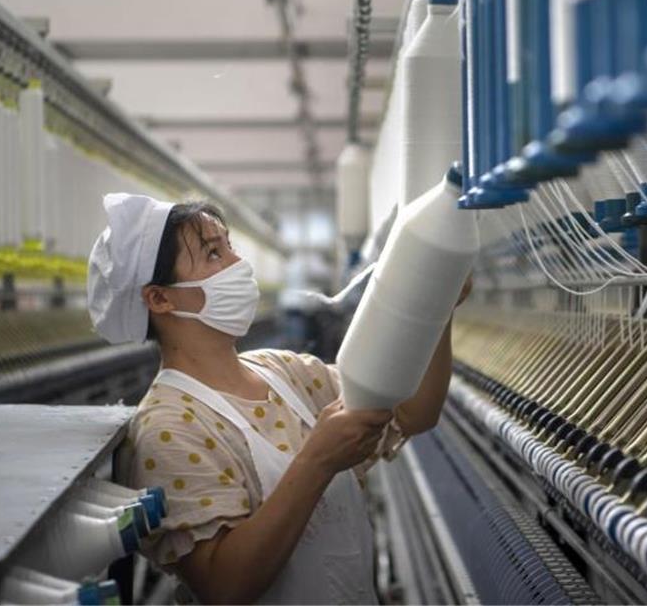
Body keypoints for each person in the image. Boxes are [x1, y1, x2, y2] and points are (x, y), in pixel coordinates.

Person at [87, 193, 470, 604]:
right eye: (213, 254)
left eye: (230, 247)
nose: (238, 264)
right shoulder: (167, 428)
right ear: (160, 298)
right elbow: (225, 585)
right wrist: (317, 460)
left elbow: (413, 411)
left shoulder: (286, 372)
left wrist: (437, 308)